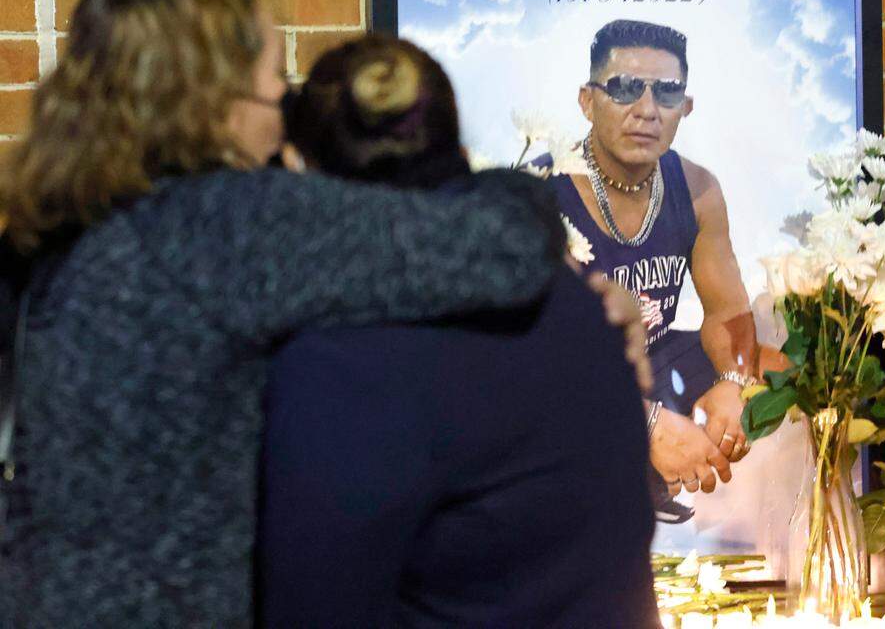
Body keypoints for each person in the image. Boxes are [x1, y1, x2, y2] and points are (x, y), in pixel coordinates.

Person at [0, 0, 571, 626]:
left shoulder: (52, 226)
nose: (286, 113)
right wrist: (516, 178)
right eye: (278, 82)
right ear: (216, 96)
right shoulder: (230, 224)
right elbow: (504, 248)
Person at [258, 35, 658, 626]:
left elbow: (311, 605)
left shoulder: (342, 360)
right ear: (456, 150)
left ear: (302, 169)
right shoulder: (584, 310)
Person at [537, 19, 785, 500]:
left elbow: (727, 311)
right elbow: (534, 357)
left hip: (646, 361)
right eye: (625, 89)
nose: (647, 110)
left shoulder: (697, 190)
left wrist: (734, 385)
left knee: (778, 356)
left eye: (667, 93)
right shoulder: (539, 193)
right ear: (587, 101)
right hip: (561, 383)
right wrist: (646, 423)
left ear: (685, 108)